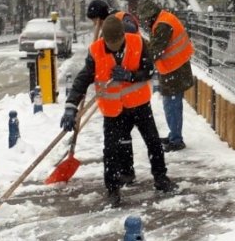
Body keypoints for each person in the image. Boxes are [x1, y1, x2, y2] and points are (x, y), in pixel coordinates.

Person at [60, 17, 177, 206]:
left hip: (139, 105)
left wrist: (131, 75)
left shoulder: (138, 43)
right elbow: (82, 80)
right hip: (113, 110)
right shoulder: (96, 51)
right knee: (112, 151)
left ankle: (161, 179)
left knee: (153, 142)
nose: (113, 47)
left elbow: (149, 70)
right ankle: (113, 189)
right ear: (104, 39)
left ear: (123, 35)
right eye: (109, 43)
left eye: (117, 43)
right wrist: (70, 107)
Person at [85, 0, 142, 184]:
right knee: (119, 136)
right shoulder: (109, 25)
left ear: (100, 17)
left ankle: (125, 171)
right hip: (117, 92)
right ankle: (123, 171)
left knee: (122, 135)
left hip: (131, 90)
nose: (94, 25)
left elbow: (130, 41)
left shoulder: (121, 22)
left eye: (95, 20)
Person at [135, 0, 194, 152]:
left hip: (175, 70)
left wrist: (138, 50)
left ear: (151, 15)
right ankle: (174, 135)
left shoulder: (163, 25)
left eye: (146, 19)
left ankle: (176, 140)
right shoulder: (163, 19)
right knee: (171, 105)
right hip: (173, 68)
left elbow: (154, 51)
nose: (145, 22)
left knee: (172, 105)